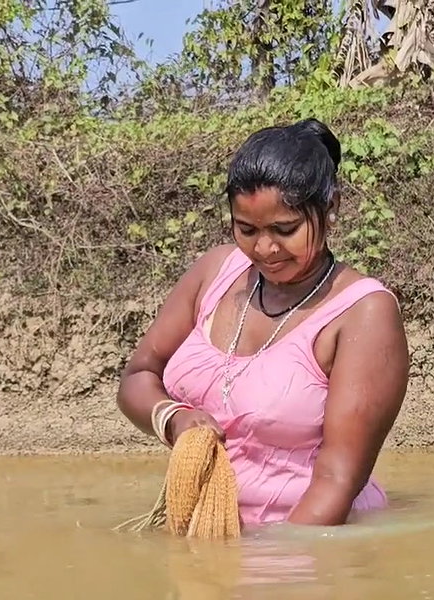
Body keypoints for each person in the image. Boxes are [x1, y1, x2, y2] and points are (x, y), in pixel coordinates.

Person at [116, 118, 410, 528]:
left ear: (331, 207)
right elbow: (139, 375)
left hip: (305, 545)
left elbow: (337, 481)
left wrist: (264, 568)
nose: (265, 248)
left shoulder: (363, 313)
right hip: (206, 528)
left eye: (285, 230)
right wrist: (174, 418)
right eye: (247, 229)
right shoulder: (215, 272)